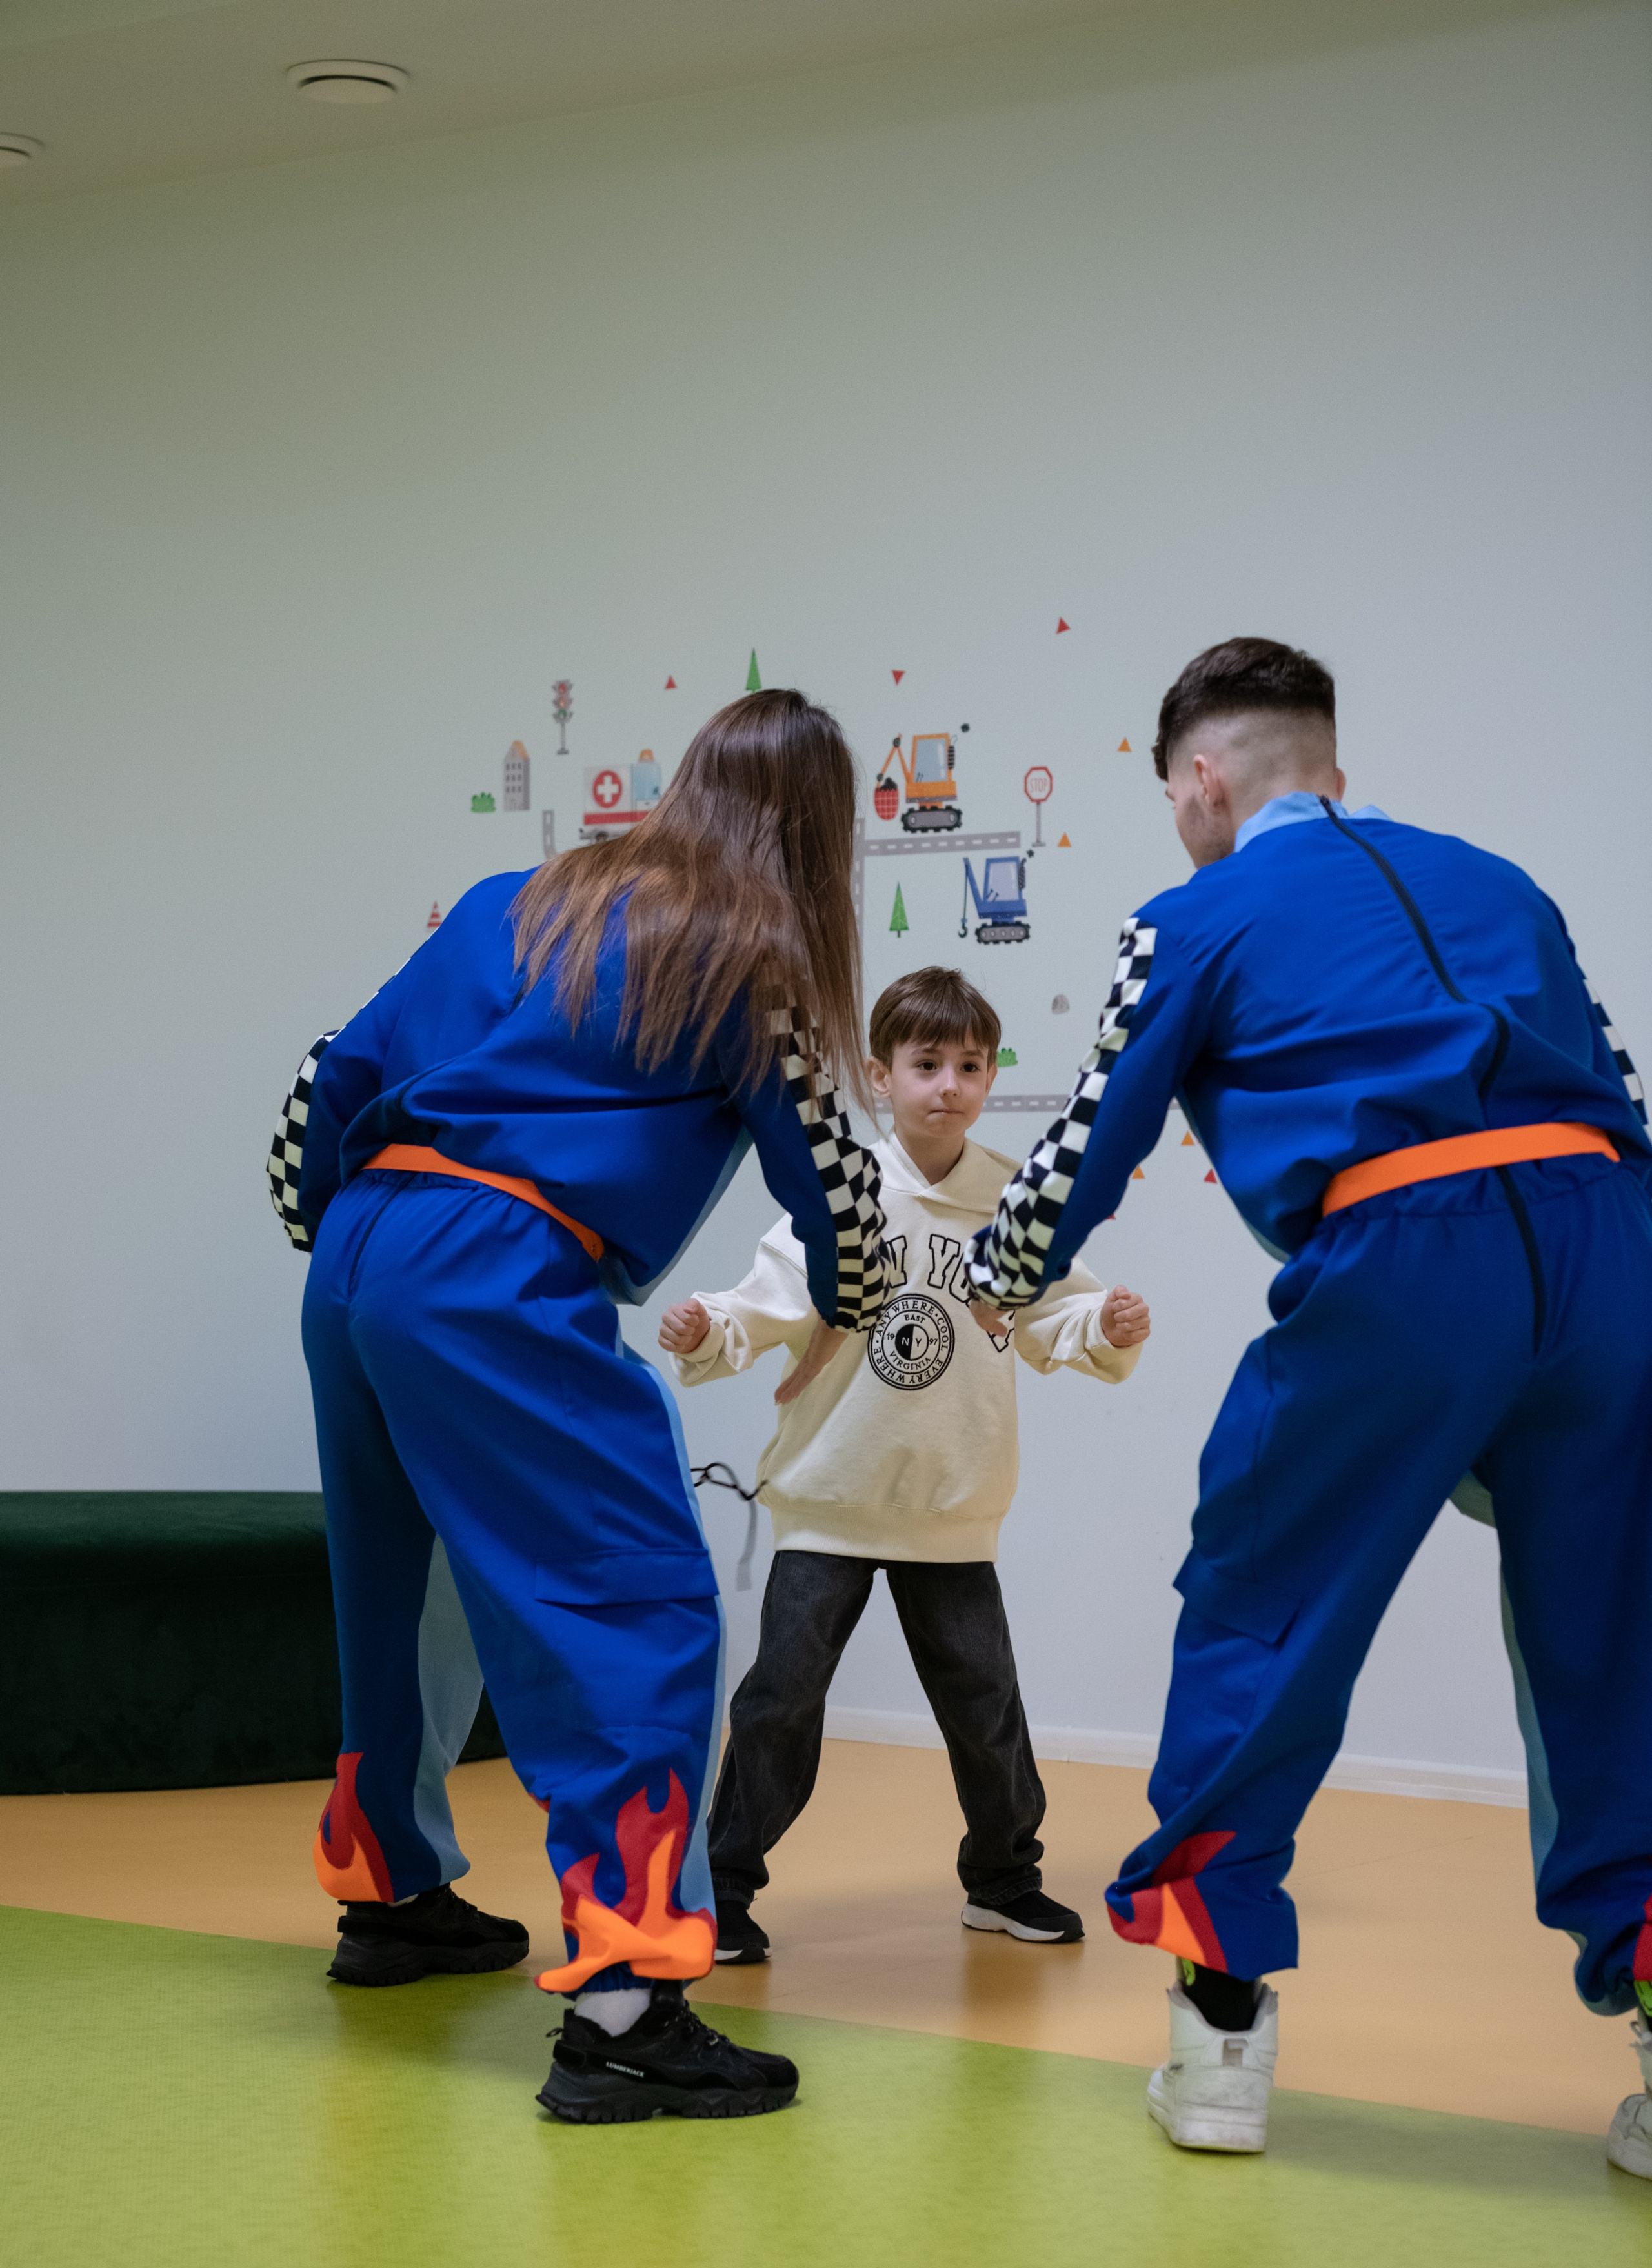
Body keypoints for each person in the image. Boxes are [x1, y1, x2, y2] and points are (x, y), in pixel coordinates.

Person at [965, 637, 1652, 2174]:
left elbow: (1085, 1141)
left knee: (1261, 1609)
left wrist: (990, 1276)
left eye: (1173, 799)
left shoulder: (1192, 915)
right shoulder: (1503, 883)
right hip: (1611, 1250)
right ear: (1329, 769)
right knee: (1618, 1639)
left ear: (1202, 781)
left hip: (1405, 1252)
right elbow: (1616, 1088)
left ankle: (1217, 2044)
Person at [267, 689, 889, 2123]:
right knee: (634, 1604)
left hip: (364, 1248)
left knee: (399, 1587)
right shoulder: (752, 953)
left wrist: (339, 1237)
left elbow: (328, 1076)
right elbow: (832, 1194)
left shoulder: (515, 900)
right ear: (812, 831)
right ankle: (622, 2010)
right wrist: (849, 1305)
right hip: (498, 1265)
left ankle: (392, 1898)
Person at [658, 965, 1151, 1965]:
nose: (949, 1086)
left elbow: (1055, 1318)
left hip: (952, 1510)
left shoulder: (1013, 1199)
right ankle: (724, 1888)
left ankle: (1004, 1881)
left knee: (986, 1708)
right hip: (830, 1502)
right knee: (779, 1703)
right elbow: (764, 1304)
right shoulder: (840, 1195)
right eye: (927, 1065)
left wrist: (1106, 1323)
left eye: (970, 1065)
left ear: (990, 1077)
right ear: (880, 1076)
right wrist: (707, 1328)